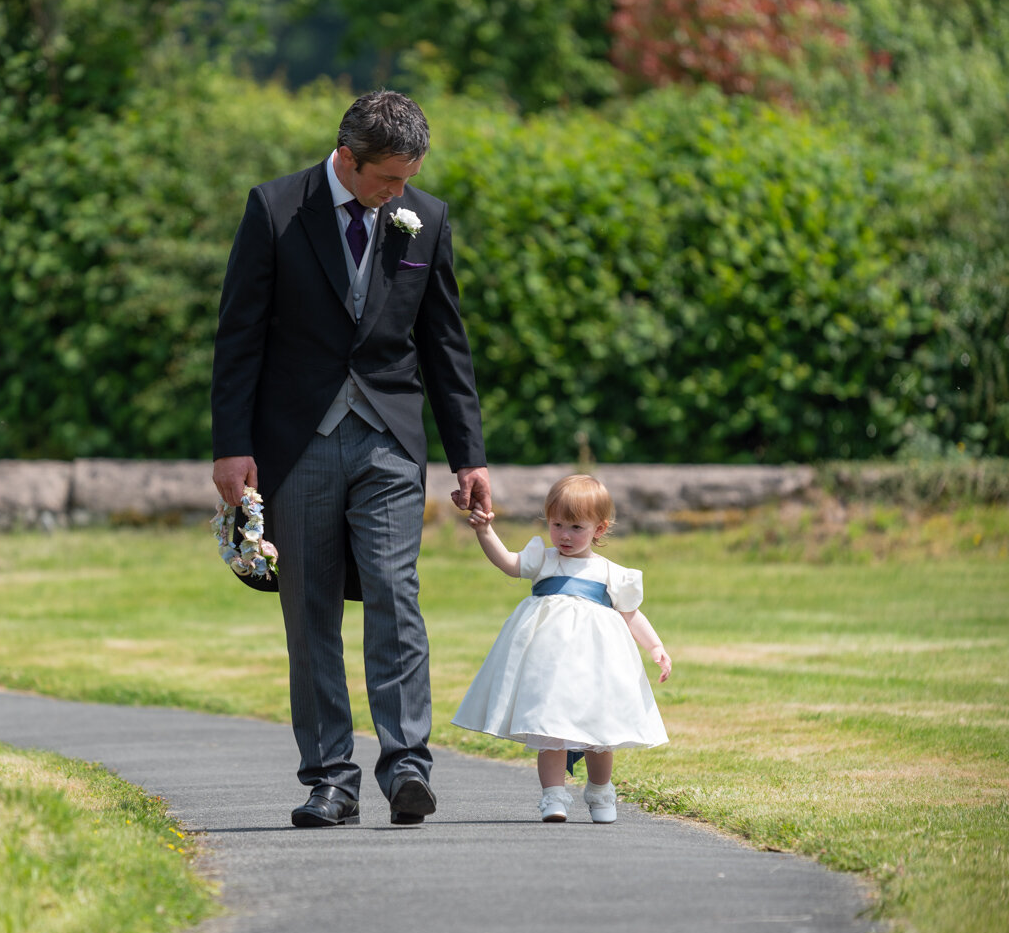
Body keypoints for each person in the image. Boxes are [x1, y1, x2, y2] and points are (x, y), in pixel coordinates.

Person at [211, 90, 492, 828]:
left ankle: (407, 766)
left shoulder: (424, 219)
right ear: (347, 158)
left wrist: (470, 455)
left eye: (406, 179)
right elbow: (238, 335)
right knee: (309, 609)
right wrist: (231, 447)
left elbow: (444, 342)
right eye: (386, 180)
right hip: (296, 441)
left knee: (396, 595)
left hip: (391, 439)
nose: (398, 193)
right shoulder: (274, 210)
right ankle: (330, 778)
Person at [452, 474, 671, 823]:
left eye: (576, 527)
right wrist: (484, 531)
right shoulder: (544, 558)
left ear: (599, 530)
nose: (564, 535)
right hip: (548, 665)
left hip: (595, 666)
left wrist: (655, 646)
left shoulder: (609, 572)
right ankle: (553, 795)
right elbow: (509, 563)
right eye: (557, 525)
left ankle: (600, 790)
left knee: (602, 733)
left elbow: (630, 614)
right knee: (549, 729)